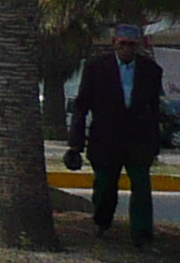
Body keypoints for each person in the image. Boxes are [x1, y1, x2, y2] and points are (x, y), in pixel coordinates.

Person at [65, 20, 163, 248]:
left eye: (132, 45)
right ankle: (102, 222)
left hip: (138, 139)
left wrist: (155, 141)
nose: (127, 49)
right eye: (123, 44)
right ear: (115, 44)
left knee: (141, 184)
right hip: (106, 138)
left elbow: (154, 108)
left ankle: (142, 232)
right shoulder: (96, 67)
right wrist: (75, 144)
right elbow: (82, 105)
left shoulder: (150, 70)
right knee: (106, 185)